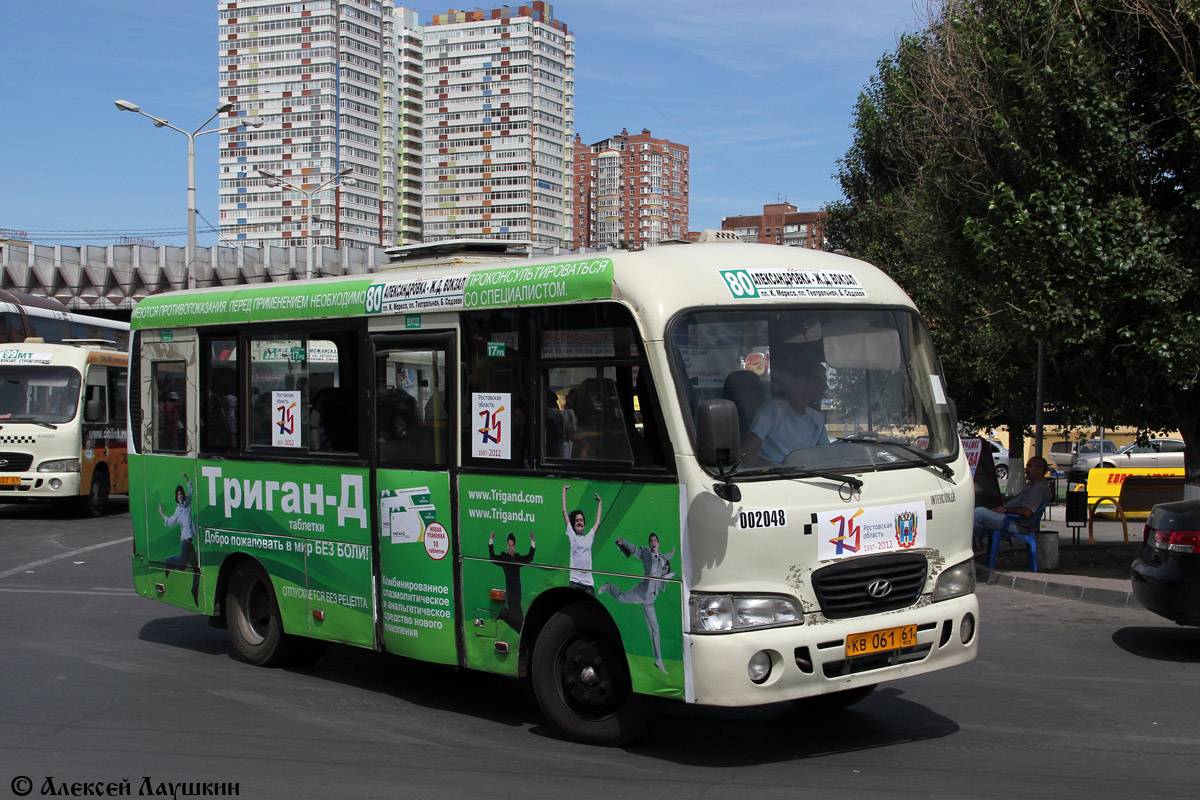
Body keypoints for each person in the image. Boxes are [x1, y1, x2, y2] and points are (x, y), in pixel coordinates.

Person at [599, 533, 676, 674]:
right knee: (621, 598)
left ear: (658, 543)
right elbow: (635, 550)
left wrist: (671, 553)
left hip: (650, 599)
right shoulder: (646, 553)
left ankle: (659, 660)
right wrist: (623, 542)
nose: (652, 542)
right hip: (640, 593)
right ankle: (609, 586)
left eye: (654, 540)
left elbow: (666, 556)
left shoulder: (661, 558)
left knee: (655, 630)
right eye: (651, 540)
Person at [742, 356, 830, 465]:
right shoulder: (773, 411)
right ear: (801, 383)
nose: (826, 387)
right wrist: (773, 469)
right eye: (820, 381)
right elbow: (747, 454)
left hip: (808, 478)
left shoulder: (817, 419)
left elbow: (827, 457)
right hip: (772, 479)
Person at [973, 456, 1053, 545]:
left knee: (979, 513)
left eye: (1030, 466)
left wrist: (1005, 510)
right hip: (1009, 518)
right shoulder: (1032, 484)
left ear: (1040, 469)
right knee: (975, 517)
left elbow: (1027, 512)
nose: (1026, 469)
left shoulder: (1038, 489)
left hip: (1015, 524)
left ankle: (965, 543)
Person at [159, 471, 200, 605]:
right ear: (176, 498)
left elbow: (192, 490)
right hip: (185, 543)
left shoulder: (187, 504)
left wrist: (187, 478)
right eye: (178, 495)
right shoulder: (178, 511)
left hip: (190, 542)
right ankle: (169, 561)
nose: (181, 496)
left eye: (181, 494)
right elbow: (170, 522)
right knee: (182, 566)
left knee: (196, 569)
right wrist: (162, 514)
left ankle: (194, 590)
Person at [488, 530, 535, 633]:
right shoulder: (504, 558)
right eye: (509, 545)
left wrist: (532, 541)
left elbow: (529, 558)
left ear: (515, 546)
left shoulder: (517, 558)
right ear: (507, 545)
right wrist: (491, 540)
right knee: (520, 626)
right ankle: (503, 614)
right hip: (512, 596)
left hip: (517, 595)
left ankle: (503, 614)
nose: (510, 548)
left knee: (519, 625)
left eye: (512, 545)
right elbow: (492, 558)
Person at [562, 483, 602, 595]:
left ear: (584, 524)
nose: (579, 522)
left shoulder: (589, 537)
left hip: (588, 585)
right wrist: (564, 491)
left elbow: (598, 523)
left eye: (581, 520)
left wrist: (600, 503)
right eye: (577, 521)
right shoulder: (572, 535)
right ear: (574, 525)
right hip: (574, 582)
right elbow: (564, 512)